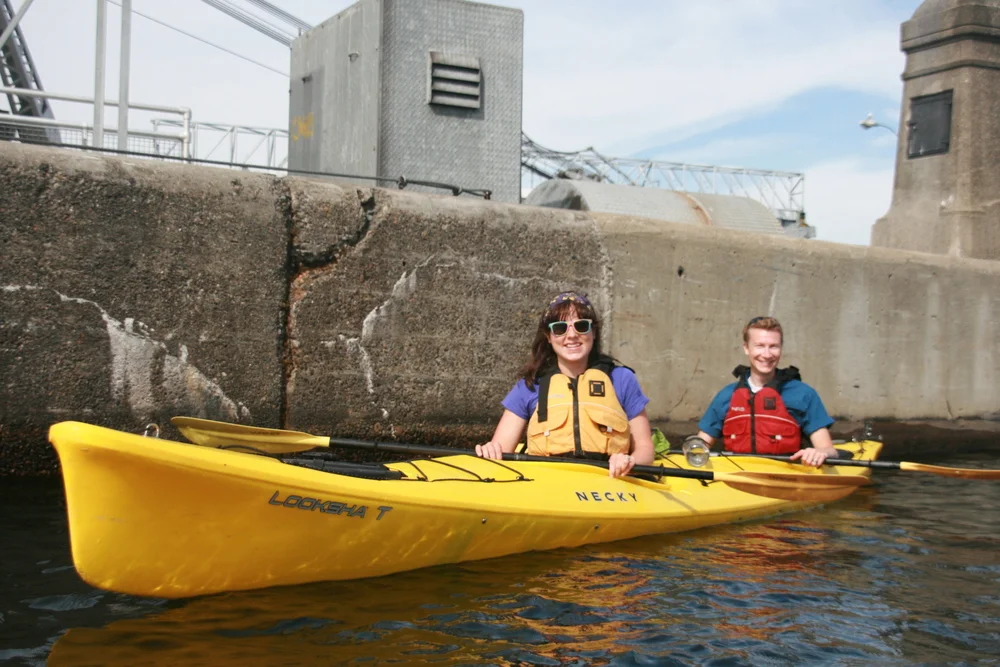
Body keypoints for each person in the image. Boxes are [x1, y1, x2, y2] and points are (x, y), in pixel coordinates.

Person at [475, 291, 655, 478]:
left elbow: (645, 449)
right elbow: (501, 448)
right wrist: (491, 451)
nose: (571, 335)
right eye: (560, 328)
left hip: (608, 481)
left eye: (581, 326)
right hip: (547, 483)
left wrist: (630, 461)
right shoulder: (530, 385)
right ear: (549, 336)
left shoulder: (621, 379)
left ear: (593, 332)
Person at [695, 316, 838, 467]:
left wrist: (818, 453)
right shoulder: (726, 395)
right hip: (736, 474)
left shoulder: (803, 394)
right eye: (760, 346)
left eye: (773, 346)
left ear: (781, 348)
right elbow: (698, 447)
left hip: (786, 477)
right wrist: (692, 449)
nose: (767, 354)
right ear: (746, 348)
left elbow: (829, 450)